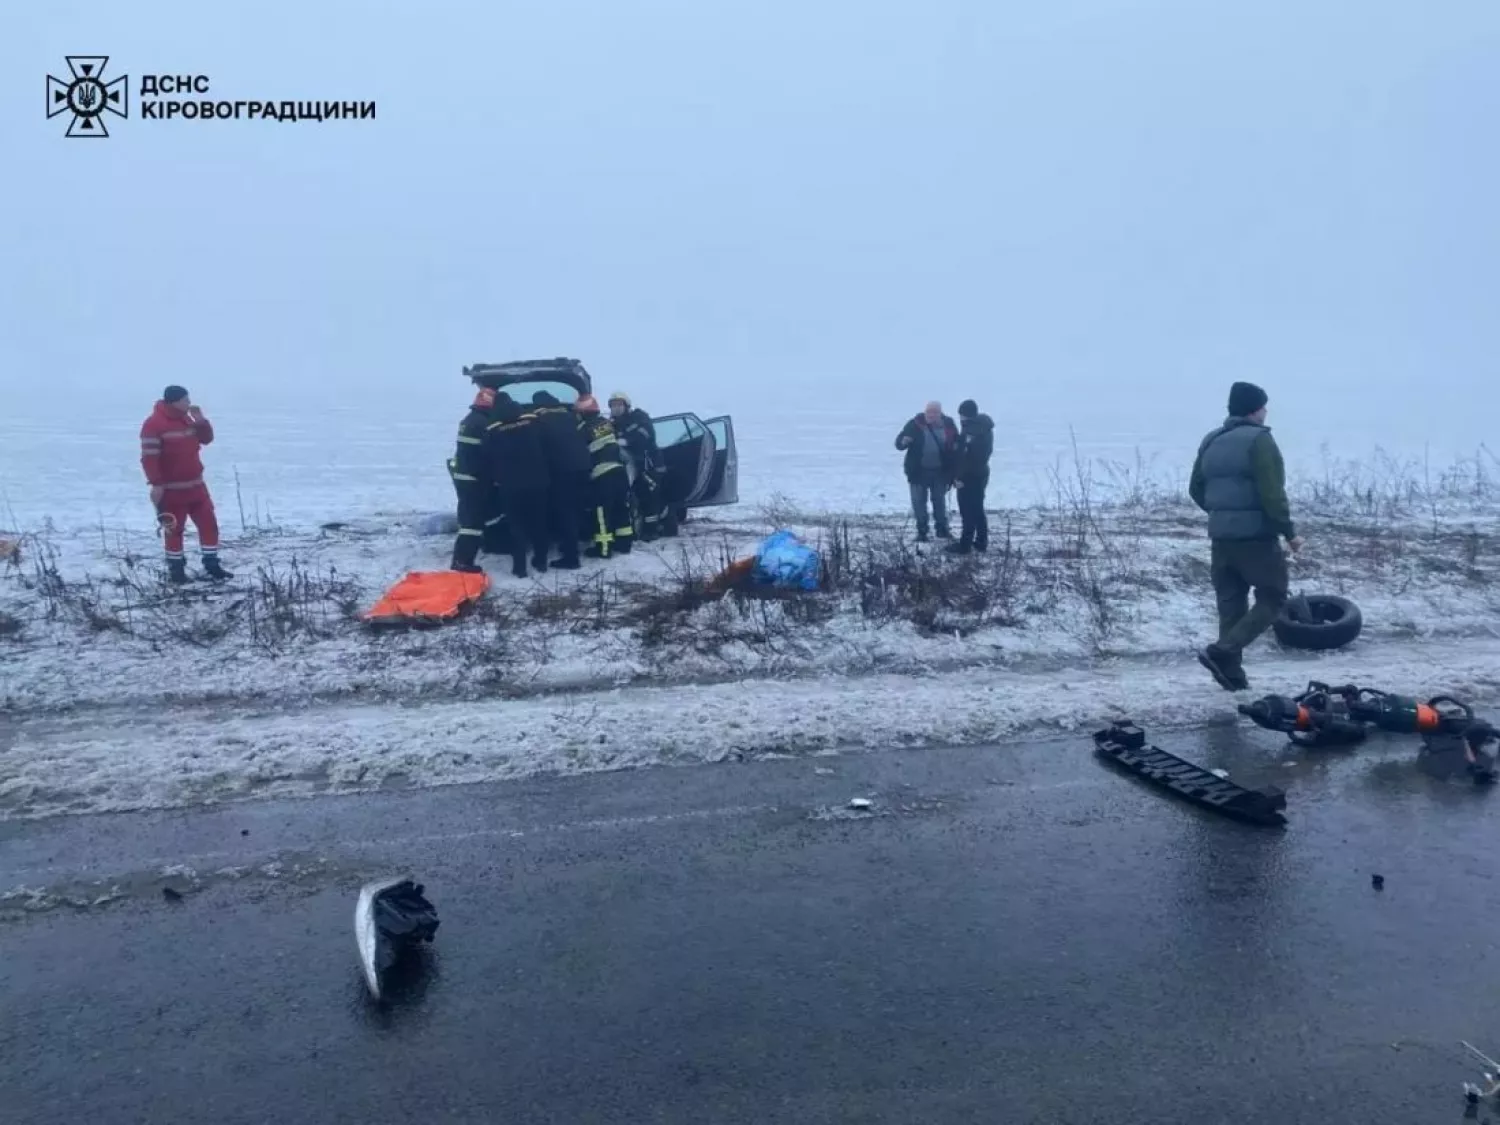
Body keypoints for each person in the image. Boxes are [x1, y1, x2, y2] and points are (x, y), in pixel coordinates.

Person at [1189, 381, 1302, 691]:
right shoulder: (1260, 441)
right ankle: (1222, 652)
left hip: (1221, 539)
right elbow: (1272, 494)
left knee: (1231, 605)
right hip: (1256, 539)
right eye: (1263, 406)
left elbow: (1196, 488)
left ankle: (1233, 677)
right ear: (1254, 409)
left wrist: (1222, 514)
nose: (1266, 412)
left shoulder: (1211, 440)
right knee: (1273, 596)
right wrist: (1289, 532)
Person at [139, 384, 231, 584]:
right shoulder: (153, 425)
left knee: (209, 525)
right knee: (174, 530)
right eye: (185, 400)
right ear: (174, 402)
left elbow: (206, 439)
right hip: (172, 491)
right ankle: (176, 570)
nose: (189, 403)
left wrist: (201, 422)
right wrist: (156, 484)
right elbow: (149, 458)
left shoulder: (186, 419)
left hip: (197, 487)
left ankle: (212, 564)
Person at [482, 393, 551, 578]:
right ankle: (541, 561)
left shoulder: (493, 432)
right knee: (539, 522)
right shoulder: (534, 424)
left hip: (510, 487)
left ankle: (519, 567)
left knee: (516, 526)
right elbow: (550, 447)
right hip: (538, 483)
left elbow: (486, 460)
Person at [529, 390, 590, 569]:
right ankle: (570, 545)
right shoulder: (571, 416)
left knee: (565, 513)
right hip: (583, 469)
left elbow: (536, 449)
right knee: (576, 509)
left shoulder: (541, 420)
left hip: (562, 472)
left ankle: (571, 558)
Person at [609, 391, 674, 541]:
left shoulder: (639, 417)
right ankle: (644, 526)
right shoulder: (612, 424)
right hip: (631, 466)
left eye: (619, 404)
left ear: (627, 405)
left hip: (650, 465)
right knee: (637, 497)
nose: (616, 408)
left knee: (650, 496)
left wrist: (626, 441)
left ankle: (654, 529)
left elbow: (645, 435)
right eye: (613, 405)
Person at [577, 394, 635, 558]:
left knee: (602, 513)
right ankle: (624, 544)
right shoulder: (606, 423)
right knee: (621, 508)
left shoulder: (583, 428)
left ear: (581, 412)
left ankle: (603, 548)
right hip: (619, 472)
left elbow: (579, 452)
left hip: (603, 475)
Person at [447, 386, 496, 573]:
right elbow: (488, 453)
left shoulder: (469, 420)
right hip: (474, 479)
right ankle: (462, 561)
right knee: (472, 522)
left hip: (465, 476)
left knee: (470, 516)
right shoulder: (482, 423)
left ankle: (463, 558)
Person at [894, 401, 958, 541]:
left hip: (940, 472)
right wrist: (903, 442)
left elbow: (956, 448)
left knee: (939, 502)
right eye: (929, 411)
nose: (931, 415)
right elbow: (898, 444)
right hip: (918, 472)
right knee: (918, 503)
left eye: (934, 412)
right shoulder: (915, 424)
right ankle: (922, 532)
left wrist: (954, 473)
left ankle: (942, 530)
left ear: (940, 413)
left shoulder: (949, 425)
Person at [947, 399, 994, 554]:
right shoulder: (984, 427)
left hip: (970, 476)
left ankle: (965, 545)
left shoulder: (971, 431)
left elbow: (966, 458)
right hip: (981, 473)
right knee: (978, 509)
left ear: (964, 415)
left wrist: (958, 478)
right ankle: (981, 541)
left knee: (967, 511)